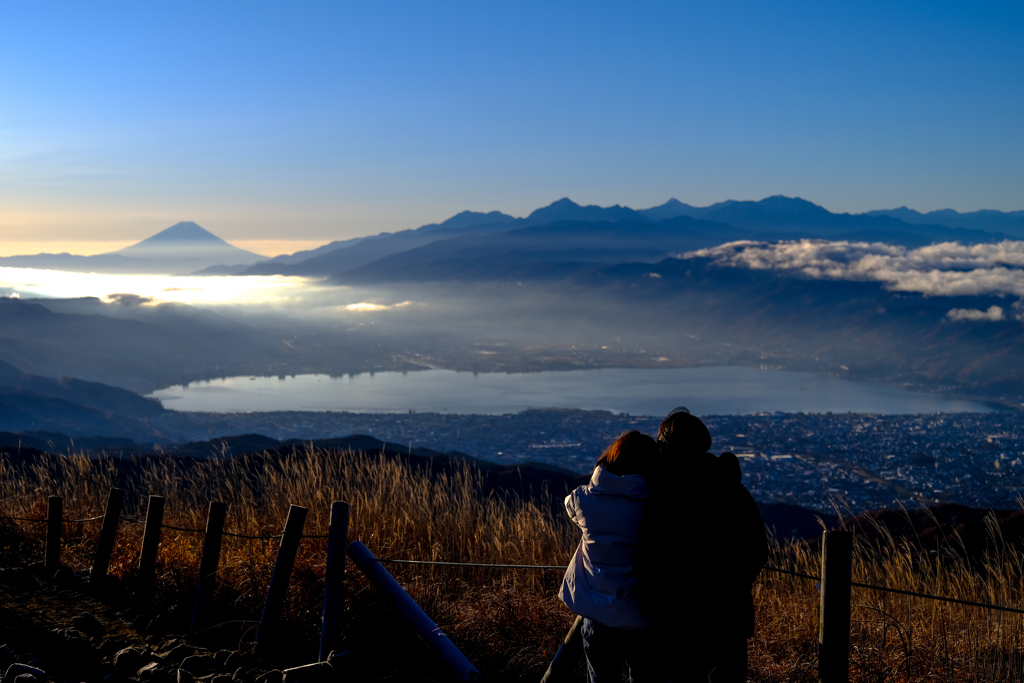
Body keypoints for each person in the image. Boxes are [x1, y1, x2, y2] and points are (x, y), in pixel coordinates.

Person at [645, 407, 768, 683]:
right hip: (728, 617)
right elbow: (758, 548)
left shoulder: (660, 492)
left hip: (677, 618)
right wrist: (734, 585)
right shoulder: (730, 486)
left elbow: (647, 552)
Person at [559, 430, 660, 682]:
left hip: (598, 616)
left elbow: (569, 506)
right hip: (644, 616)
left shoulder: (583, 499)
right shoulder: (654, 505)